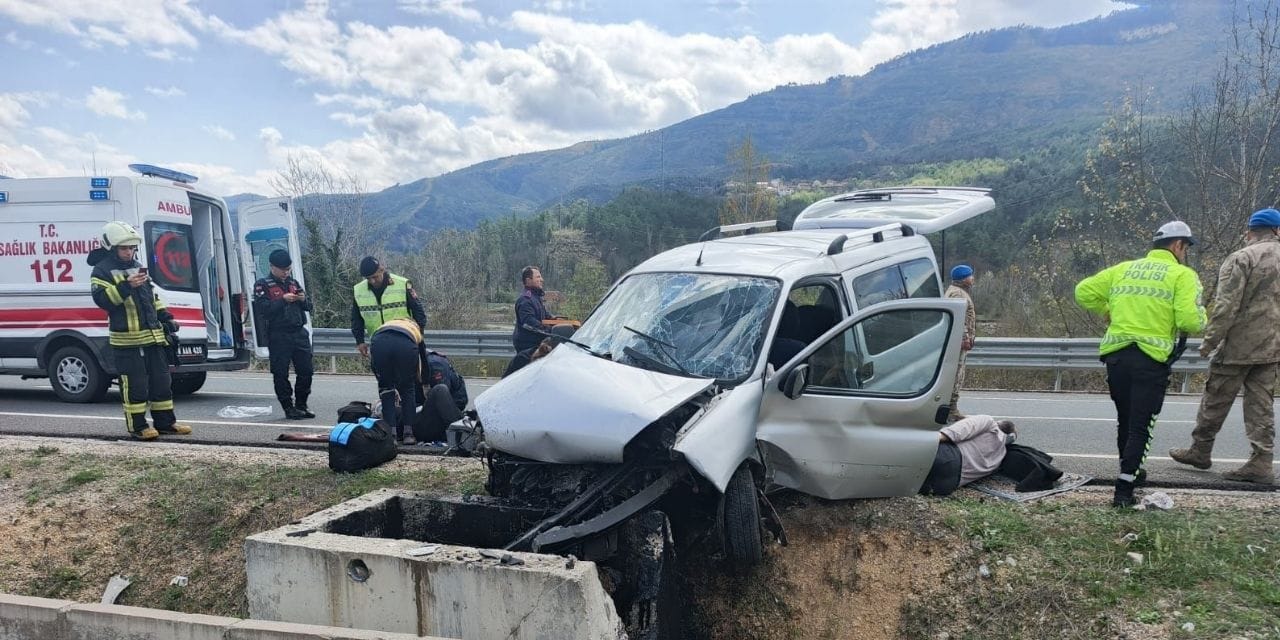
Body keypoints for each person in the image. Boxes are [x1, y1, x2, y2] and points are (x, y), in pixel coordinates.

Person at [1075, 220, 1207, 507]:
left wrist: (1107, 309)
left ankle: (1131, 471)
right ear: (1177, 245)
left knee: (1126, 418)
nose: (1185, 254)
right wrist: (1201, 316)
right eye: (1186, 248)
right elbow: (1189, 320)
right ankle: (1123, 491)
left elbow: (1083, 291)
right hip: (1151, 359)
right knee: (1141, 426)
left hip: (1117, 356)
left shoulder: (1123, 269)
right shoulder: (1182, 275)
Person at [1169, 209, 1280, 484]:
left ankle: (1200, 450)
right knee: (1261, 405)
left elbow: (1226, 306)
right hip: (1272, 347)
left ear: (1251, 231)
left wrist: (1210, 342)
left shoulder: (1243, 257)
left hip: (1239, 345)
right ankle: (1262, 461)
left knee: (1215, 399)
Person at [88, 221, 192, 440]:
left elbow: (151, 298)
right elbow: (104, 300)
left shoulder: (137, 266)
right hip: (127, 341)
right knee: (135, 385)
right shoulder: (101, 271)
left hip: (153, 336)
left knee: (162, 381)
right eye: (124, 248)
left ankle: (166, 423)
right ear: (111, 247)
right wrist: (126, 285)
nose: (129, 252)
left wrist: (166, 317)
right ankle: (138, 426)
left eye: (132, 248)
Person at [253, 249, 315, 420]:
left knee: (306, 371)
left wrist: (302, 300)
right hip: (279, 335)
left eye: (288, 269)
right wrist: (282, 300)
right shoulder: (262, 285)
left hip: (298, 333)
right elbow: (262, 309)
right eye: (282, 269)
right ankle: (288, 407)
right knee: (281, 373)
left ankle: (302, 405)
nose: (286, 272)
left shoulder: (293, 283)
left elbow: (309, 307)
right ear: (272, 267)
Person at [920, 416, 1016, 496]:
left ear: (999, 423)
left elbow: (957, 431)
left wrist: (923, 440)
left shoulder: (990, 423)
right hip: (946, 484)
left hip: (947, 456)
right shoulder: (1001, 456)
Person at [351, 256, 426, 359]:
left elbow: (418, 312)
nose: (372, 281)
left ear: (381, 270)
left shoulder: (402, 284)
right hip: (378, 343)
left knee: (407, 375)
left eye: (375, 277)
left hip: (403, 341)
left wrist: (418, 335)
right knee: (382, 375)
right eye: (368, 278)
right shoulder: (359, 290)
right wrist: (360, 341)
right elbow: (356, 319)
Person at [369, 317, 425, 445]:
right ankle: (408, 434)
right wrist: (424, 383)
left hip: (379, 344)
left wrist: (382, 381)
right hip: (405, 346)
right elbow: (423, 360)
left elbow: (374, 364)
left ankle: (391, 435)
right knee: (408, 388)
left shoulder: (384, 326)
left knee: (386, 390)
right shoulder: (414, 329)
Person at [944, 264, 977, 422]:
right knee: (957, 374)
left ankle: (951, 408)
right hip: (957, 342)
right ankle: (951, 409)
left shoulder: (958, 292)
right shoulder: (957, 294)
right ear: (963, 278)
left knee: (957, 374)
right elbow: (959, 318)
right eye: (970, 275)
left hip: (956, 341)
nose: (972, 278)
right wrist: (964, 338)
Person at [413, 350, 468, 443]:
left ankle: (463, 434)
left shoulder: (434, 364)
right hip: (419, 420)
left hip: (440, 418)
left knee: (440, 390)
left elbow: (443, 400)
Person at [512, 265, 552, 353]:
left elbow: (546, 316)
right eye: (538, 277)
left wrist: (559, 321)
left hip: (536, 344)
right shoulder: (525, 300)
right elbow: (529, 322)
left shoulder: (536, 298)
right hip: (527, 346)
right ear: (528, 281)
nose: (542, 280)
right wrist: (550, 331)